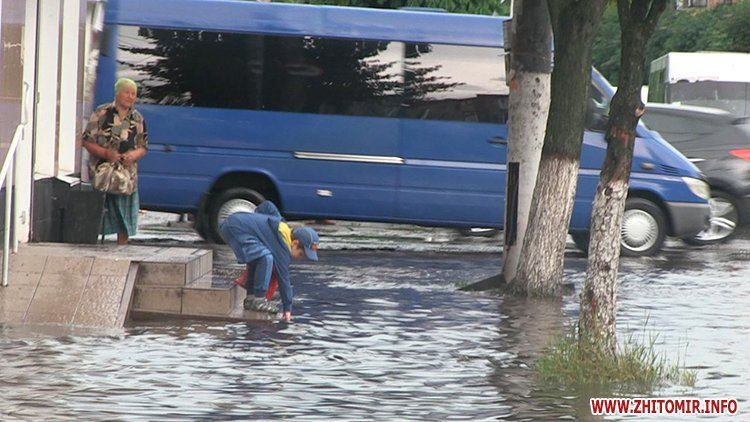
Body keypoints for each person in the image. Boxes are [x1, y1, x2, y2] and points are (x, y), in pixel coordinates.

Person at [220, 201, 319, 322]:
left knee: (258, 257)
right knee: (266, 257)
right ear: (295, 243)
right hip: (235, 229)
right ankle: (259, 300)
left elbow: (268, 206)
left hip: (233, 223)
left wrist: (257, 219)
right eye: (301, 254)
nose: (300, 258)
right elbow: (284, 279)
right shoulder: (282, 246)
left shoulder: (282, 227)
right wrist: (287, 309)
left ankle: (251, 298)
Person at [82, 78, 148, 245]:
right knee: (99, 213)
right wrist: (105, 153)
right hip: (102, 172)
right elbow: (87, 141)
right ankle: (93, 243)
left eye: (133, 94)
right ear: (118, 93)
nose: (130, 96)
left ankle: (122, 246)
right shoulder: (102, 112)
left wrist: (133, 155)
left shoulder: (137, 118)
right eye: (127, 92)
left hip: (126, 175)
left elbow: (143, 147)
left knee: (124, 215)